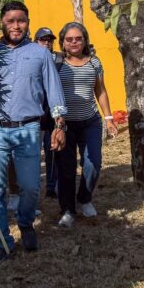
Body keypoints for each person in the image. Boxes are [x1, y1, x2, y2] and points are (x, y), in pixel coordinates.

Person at [0, 2, 66, 265]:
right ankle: (2, 241)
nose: (16, 26)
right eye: (10, 21)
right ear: (2, 22)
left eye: (21, 20)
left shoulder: (40, 54)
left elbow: (53, 88)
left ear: (28, 22)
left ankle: (26, 222)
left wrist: (60, 124)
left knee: (30, 186)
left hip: (28, 129)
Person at [53, 22, 118, 228]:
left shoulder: (94, 62)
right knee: (66, 168)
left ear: (84, 40)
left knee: (93, 163)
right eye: (69, 39)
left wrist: (109, 118)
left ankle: (84, 198)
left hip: (90, 121)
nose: (74, 42)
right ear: (63, 42)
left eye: (78, 38)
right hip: (64, 124)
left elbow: (101, 90)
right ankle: (67, 210)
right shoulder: (56, 63)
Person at [34, 27, 60, 199]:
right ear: (36, 41)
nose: (47, 42)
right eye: (43, 39)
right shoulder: (30, 59)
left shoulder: (60, 59)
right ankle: (34, 189)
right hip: (35, 114)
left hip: (52, 114)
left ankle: (51, 187)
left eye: (49, 40)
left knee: (52, 152)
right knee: (33, 154)